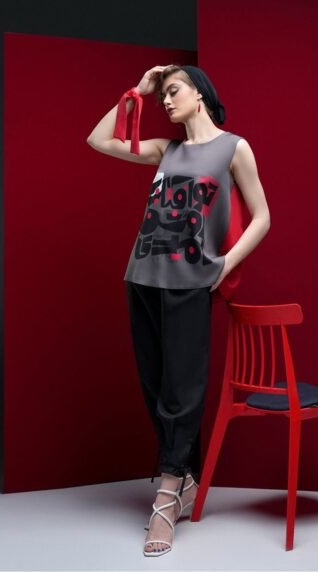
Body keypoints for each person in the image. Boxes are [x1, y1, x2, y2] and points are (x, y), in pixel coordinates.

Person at [86, 64, 271, 556]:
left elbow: (263, 216)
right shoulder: (166, 151)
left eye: (173, 91)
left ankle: (166, 500)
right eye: (162, 95)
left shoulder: (233, 148)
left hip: (190, 281)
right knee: (154, 384)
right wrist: (137, 90)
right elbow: (98, 140)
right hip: (142, 277)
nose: (166, 101)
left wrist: (224, 264)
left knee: (182, 391)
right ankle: (184, 479)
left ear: (199, 94)